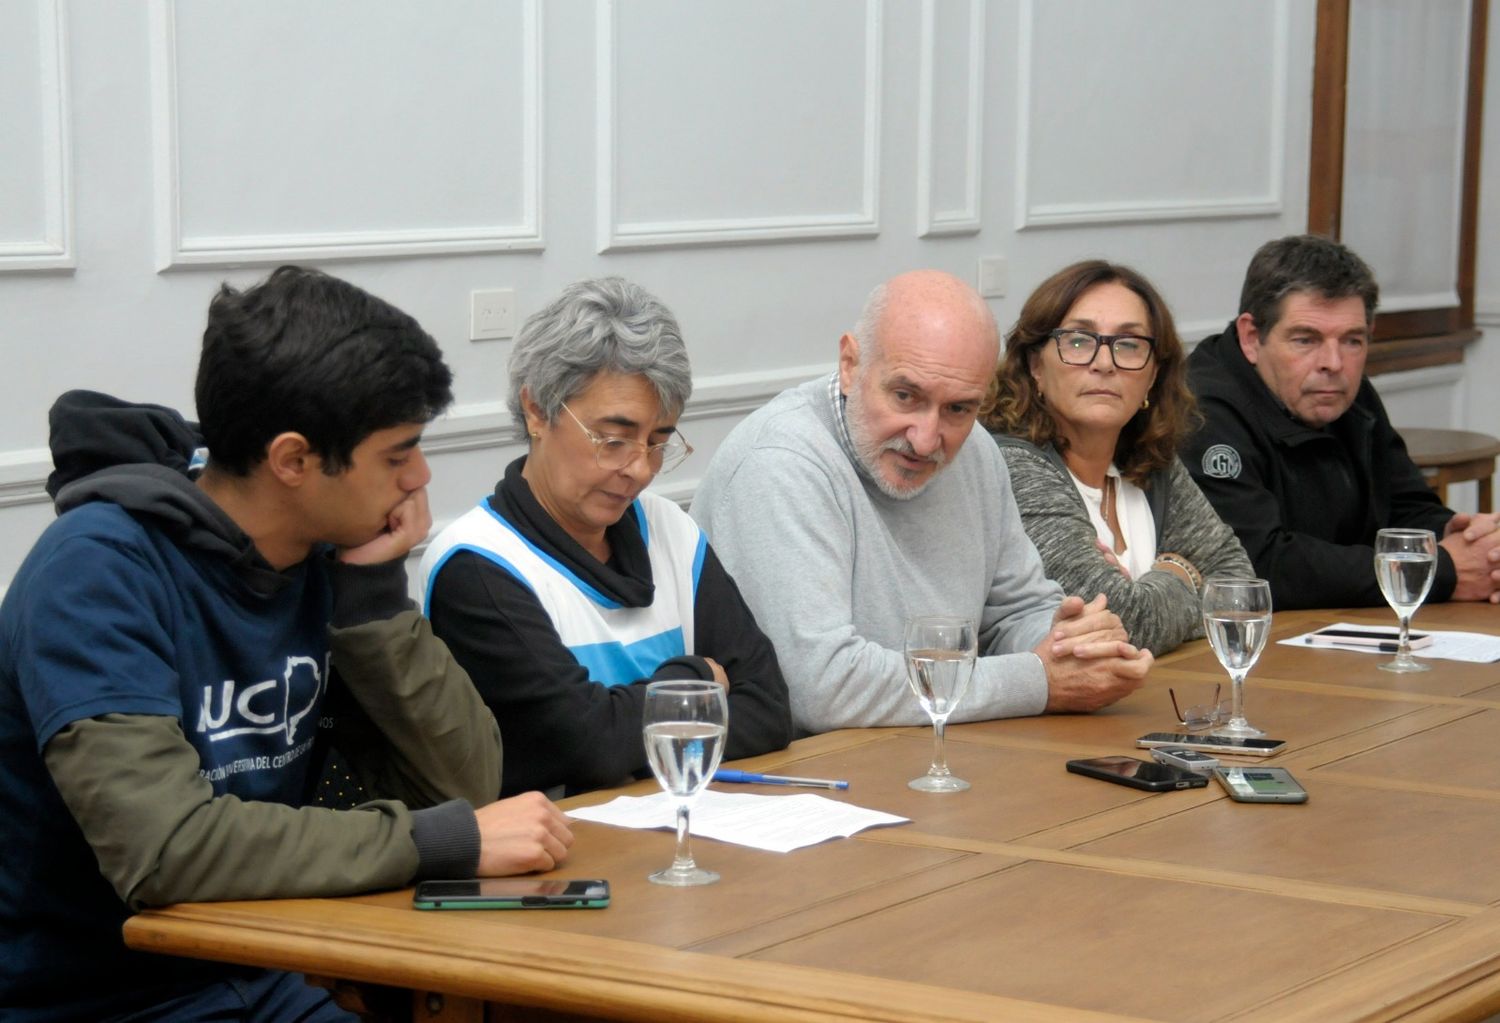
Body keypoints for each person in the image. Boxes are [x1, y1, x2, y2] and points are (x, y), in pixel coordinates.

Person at [0, 266, 574, 1023]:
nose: (422, 475)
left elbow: (462, 784)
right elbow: (168, 849)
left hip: (261, 970)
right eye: (397, 453)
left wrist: (372, 599)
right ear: (294, 460)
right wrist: (433, 842)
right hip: (93, 999)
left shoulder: (322, 557)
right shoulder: (96, 572)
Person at [690, 270, 1153, 736]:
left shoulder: (976, 453)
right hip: (808, 782)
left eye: (959, 408)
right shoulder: (780, 463)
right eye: (906, 396)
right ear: (850, 364)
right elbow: (820, 689)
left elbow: (1013, 612)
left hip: (939, 754)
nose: (926, 438)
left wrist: (1070, 644)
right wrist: (1039, 680)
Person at [420, 277, 791, 798]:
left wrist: (627, 727)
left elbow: (770, 708)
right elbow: (583, 744)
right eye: (613, 440)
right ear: (536, 411)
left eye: (659, 442)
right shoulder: (478, 565)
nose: (639, 469)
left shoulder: (671, 530)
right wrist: (692, 678)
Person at [1184, 234, 1500, 609]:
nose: (1333, 363)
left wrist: (1464, 540)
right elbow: (1257, 563)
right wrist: (1437, 569)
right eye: (1306, 340)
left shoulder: (1343, 392)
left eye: (1353, 340)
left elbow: (1404, 506)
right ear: (1251, 337)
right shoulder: (1200, 407)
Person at [985, 261, 1252, 655]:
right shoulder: (1012, 465)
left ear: (1153, 375)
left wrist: (1149, 596)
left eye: (1129, 345)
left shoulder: (1149, 462)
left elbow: (1239, 592)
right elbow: (1124, 623)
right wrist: (1182, 572)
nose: (1104, 363)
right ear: (1036, 365)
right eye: (1078, 341)